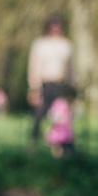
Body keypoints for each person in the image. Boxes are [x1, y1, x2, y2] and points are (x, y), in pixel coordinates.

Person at [27, 14, 73, 148]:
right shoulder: (40, 44)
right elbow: (34, 66)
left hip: (60, 85)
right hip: (44, 85)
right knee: (38, 116)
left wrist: (71, 88)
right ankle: (33, 145)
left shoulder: (66, 45)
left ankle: (64, 146)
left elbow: (71, 68)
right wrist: (34, 88)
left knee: (63, 118)